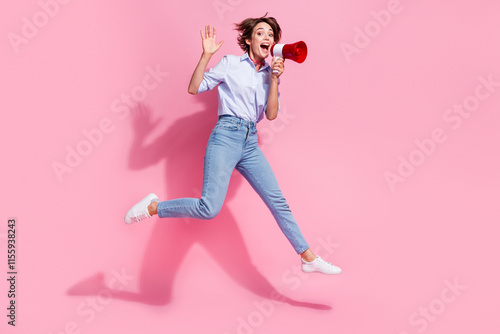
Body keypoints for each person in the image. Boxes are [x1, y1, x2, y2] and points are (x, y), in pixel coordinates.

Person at [124, 14, 341, 275]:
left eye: (271, 35)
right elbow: (194, 88)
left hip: (250, 141)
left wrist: (274, 79)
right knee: (209, 208)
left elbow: (271, 115)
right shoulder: (230, 64)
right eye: (262, 33)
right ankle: (153, 206)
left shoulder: (271, 74)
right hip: (226, 135)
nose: (268, 38)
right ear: (249, 39)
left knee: (277, 201)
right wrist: (206, 55)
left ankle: (308, 257)